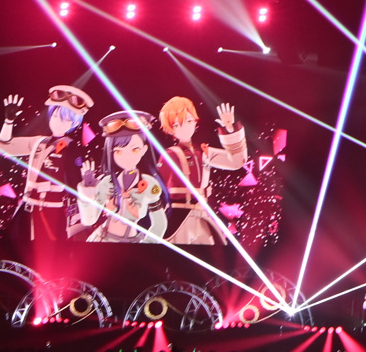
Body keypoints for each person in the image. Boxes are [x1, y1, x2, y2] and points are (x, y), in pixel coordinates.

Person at [0, 85, 95, 240]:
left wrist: (86, 186)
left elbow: (74, 182)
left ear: (74, 123)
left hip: (52, 212)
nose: (58, 121)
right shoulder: (39, 142)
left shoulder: (71, 147)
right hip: (27, 208)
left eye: (66, 119)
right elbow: (4, 146)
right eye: (55, 115)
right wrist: (8, 121)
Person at [156, 96, 247, 245]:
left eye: (189, 121)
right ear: (171, 129)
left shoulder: (203, 152)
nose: (185, 127)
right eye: (177, 124)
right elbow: (158, 189)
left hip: (202, 214)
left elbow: (237, 162)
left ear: (195, 122)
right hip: (179, 217)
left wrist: (230, 129)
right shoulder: (169, 155)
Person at [81, 111, 167, 242]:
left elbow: (160, 223)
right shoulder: (107, 182)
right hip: (101, 239)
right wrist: (88, 191)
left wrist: (148, 243)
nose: (127, 157)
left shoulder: (150, 184)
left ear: (144, 150)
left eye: (134, 150)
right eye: (119, 152)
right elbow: (89, 220)